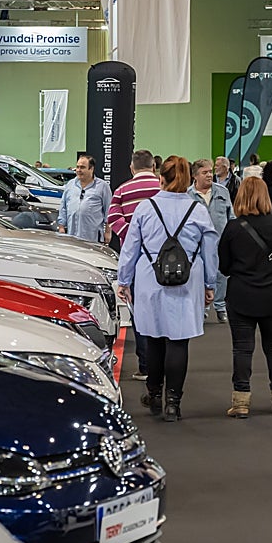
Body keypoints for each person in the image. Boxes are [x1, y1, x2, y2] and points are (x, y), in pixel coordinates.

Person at [117, 156, 219, 422]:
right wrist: (210, 284)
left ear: (160, 177)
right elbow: (210, 252)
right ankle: (173, 402)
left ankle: (154, 393)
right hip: (187, 281)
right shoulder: (198, 211)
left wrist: (123, 280)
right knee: (178, 340)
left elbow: (130, 248)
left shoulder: (145, 208)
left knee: (153, 338)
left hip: (151, 280)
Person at [217, 177, 272, 419]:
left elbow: (224, 266)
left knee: (242, 349)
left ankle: (241, 401)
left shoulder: (232, 228)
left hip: (242, 294)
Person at [108, 149, 163, 380]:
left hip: (136, 260)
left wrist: (133, 237)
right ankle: (164, 361)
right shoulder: (163, 189)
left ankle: (145, 365)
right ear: (153, 167)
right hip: (163, 258)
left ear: (132, 168)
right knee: (163, 311)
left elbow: (112, 218)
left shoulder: (122, 190)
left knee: (139, 312)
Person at [189, 158, 236, 323]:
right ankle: (202, 309)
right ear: (195, 176)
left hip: (221, 242)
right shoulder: (188, 195)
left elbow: (231, 217)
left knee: (222, 275)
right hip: (196, 245)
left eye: (210, 171)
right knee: (200, 275)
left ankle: (220, 307)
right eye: (205, 172)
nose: (210, 175)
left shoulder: (222, 192)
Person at [57, 154, 112, 243]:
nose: (78, 170)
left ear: (91, 169)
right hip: (71, 236)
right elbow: (63, 208)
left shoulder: (102, 186)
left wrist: (108, 232)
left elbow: (109, 211)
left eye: (82, 167)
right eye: (77, 167)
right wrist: (61, 227)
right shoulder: (70, 185)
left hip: (92, 239)